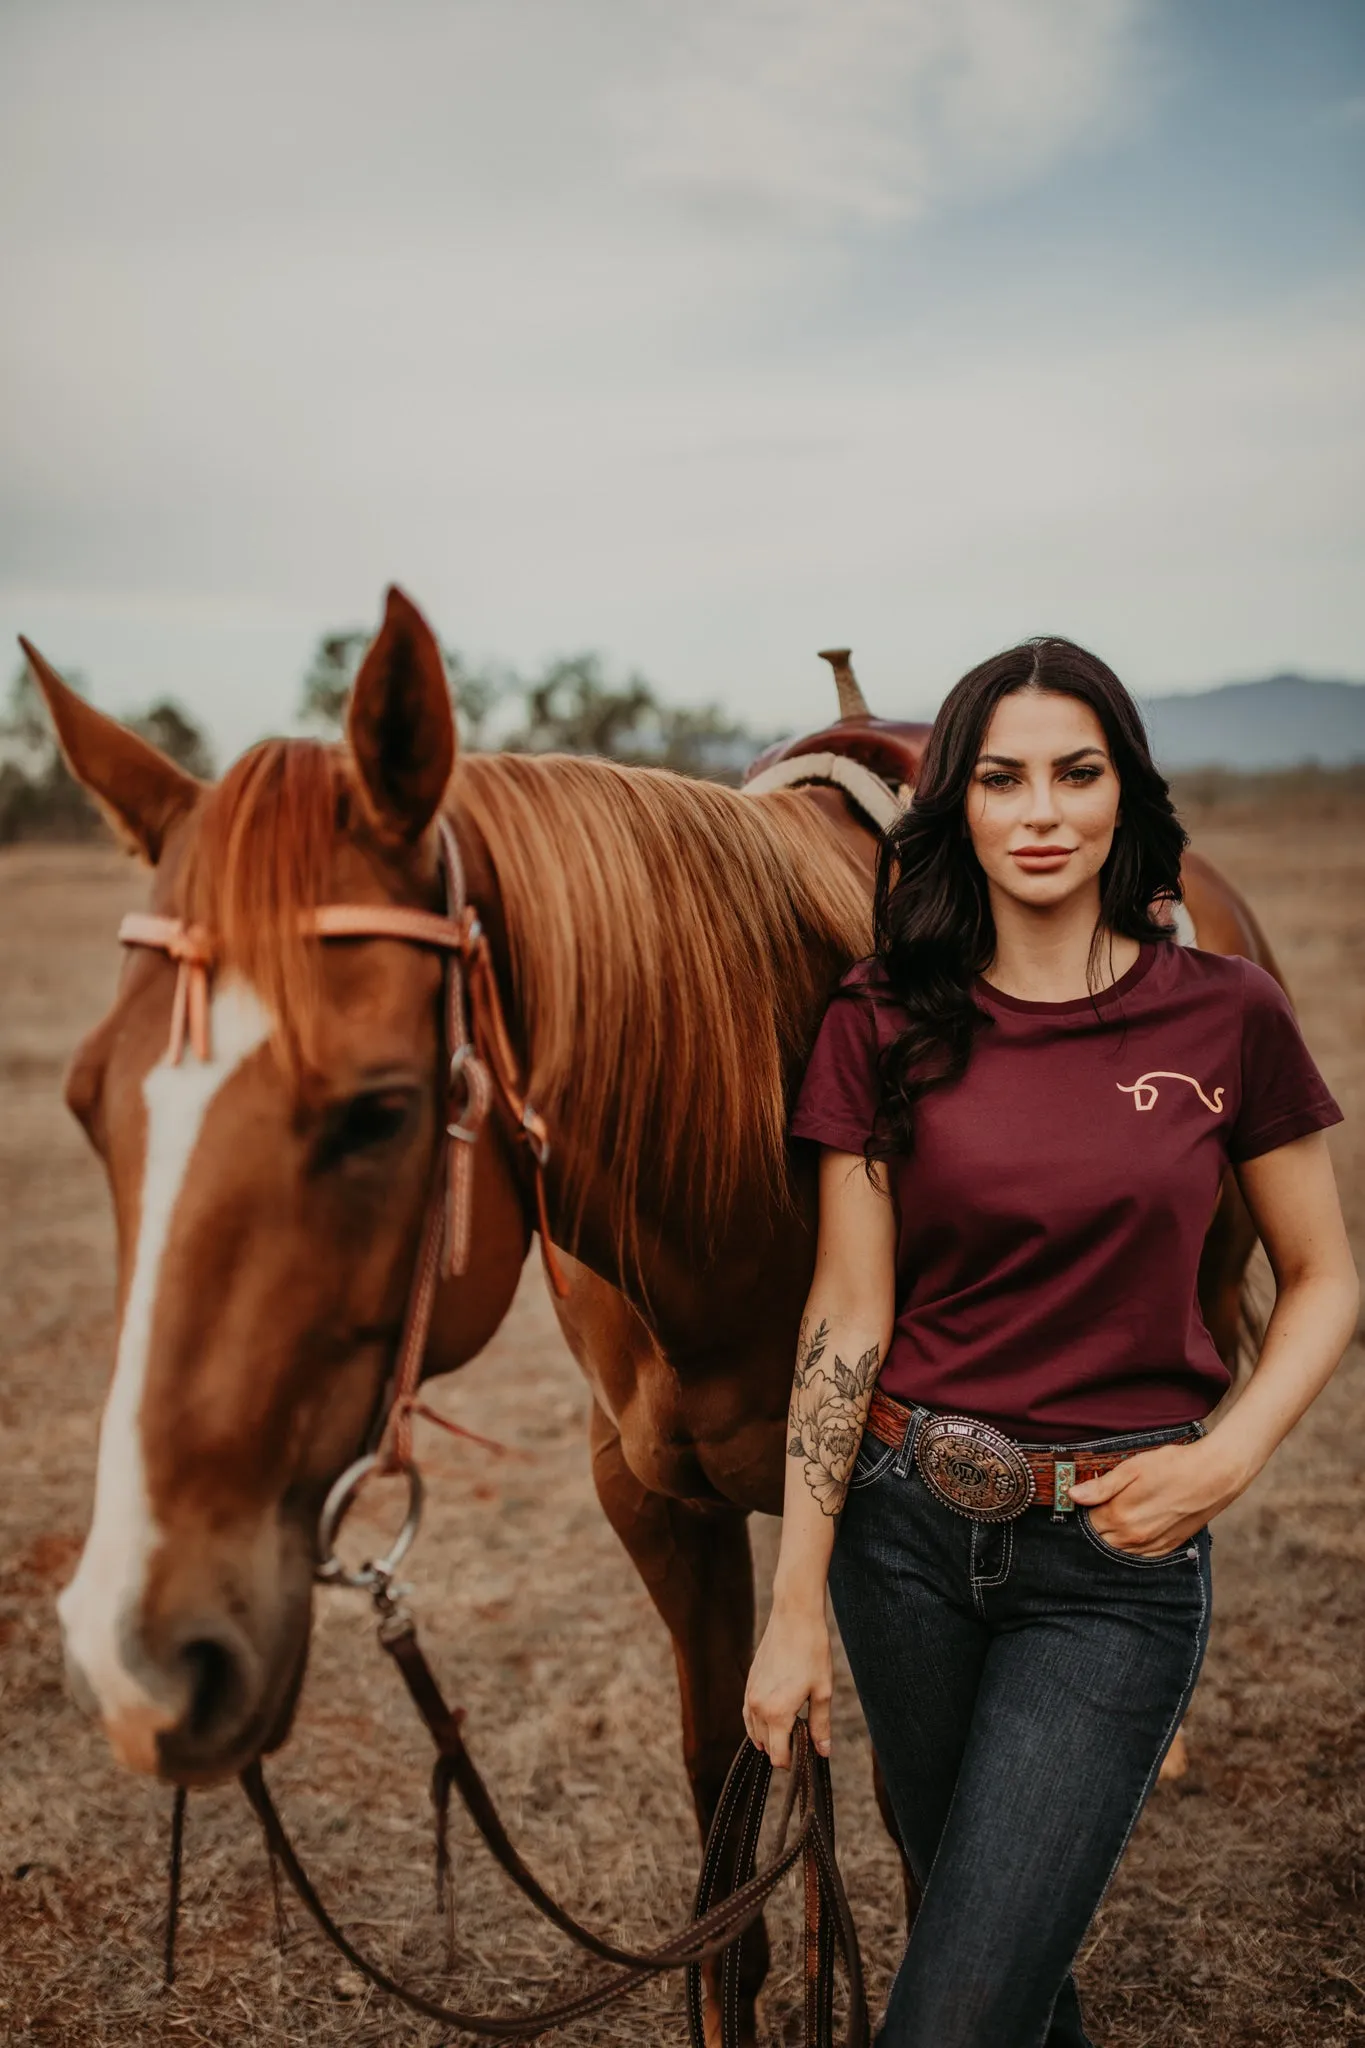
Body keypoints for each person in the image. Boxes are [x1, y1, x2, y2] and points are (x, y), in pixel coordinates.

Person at [742, 638, 1357, 2048]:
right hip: (902, 1542)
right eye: (1002, 778)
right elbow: (847, 1316)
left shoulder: (1225, 1016)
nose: (1040, 811)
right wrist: (793, 1612)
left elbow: (1326, 1277)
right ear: (954, 803)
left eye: (1076, 774)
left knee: (954, 2012)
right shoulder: (880, 1021)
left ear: (1123, 794)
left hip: (1116, 1566)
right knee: (1003, 1967)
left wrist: (1228, 1463)